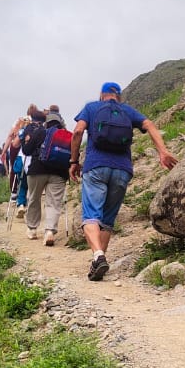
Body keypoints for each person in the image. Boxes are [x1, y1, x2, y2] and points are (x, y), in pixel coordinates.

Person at [69, 81, 178, 281]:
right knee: (107, 220)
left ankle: (98, 255)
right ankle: (98, 262)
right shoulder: (127, 111)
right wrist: (163, 152)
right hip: (122, 170)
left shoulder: (91, 108)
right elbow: (149, 125)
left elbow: (77, 132)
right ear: (119, 96)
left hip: (95, 167)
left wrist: (74, 161)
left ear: (101, 95)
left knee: (91, 215)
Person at [21, 109, 69, 246]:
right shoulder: (66, 135)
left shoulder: (39, 132)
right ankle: (49, 231)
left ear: (46, 122)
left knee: (34, 198)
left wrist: (25, 140)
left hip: (37, 170)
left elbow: (26, 150)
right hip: (59, 172)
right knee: (54, 202)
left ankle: (32, 229)